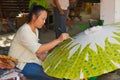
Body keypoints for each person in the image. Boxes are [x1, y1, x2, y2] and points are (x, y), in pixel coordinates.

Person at [8, 4, 69, 80]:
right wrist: (58, 40)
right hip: (20, 64)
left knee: (55, 70)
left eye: (45, 19)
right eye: (42, 19)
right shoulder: (24, 31)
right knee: (50, 76)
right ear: (34, 17)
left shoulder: (35, 30)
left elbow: (37, 50)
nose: (44, 22)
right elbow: (38, 49)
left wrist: (45, 55)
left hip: (30, 60)